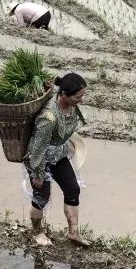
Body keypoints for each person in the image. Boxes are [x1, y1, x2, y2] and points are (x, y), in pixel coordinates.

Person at [24, 73, 89, 247]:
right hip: (40, 159)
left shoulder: (71, 107)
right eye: (78, 96)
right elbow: (37, 148)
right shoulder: (48, 117)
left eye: (83, 95)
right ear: (64, 94)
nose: (81, 100)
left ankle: (73, 233)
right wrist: (37, 173)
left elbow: (65, 130)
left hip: (58, 154)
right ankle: (37, 232)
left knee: (72, 189)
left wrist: (68, 144)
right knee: (41, 197)